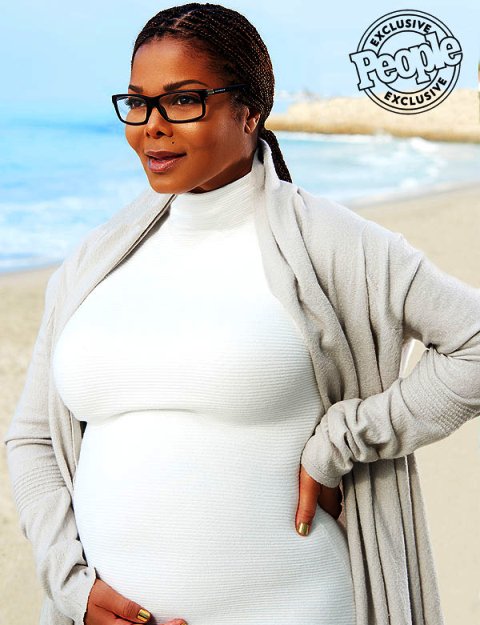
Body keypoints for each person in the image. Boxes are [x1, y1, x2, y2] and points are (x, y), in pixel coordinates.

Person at [4, 3, 480, 625]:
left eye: (183, 101)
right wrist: (70, 584)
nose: (151, 126)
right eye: (138, 103)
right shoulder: (94, 261)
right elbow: (34, 438)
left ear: (250, 111)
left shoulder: (337, 245)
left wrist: (340, 442)